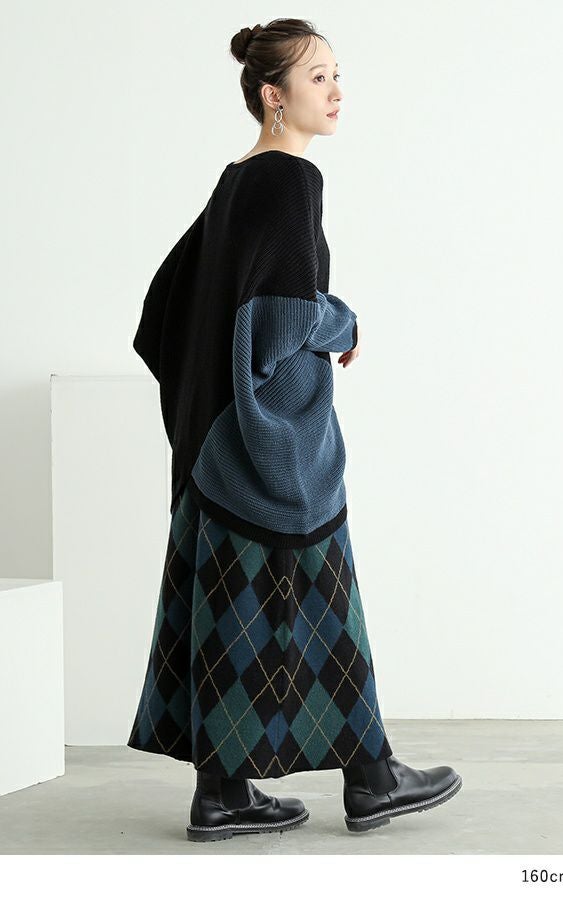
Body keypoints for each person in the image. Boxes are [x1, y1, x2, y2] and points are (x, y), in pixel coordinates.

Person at [127, 17, 462, 842]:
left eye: (337, 74)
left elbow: (163, 311)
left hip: (216, 451)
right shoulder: (289, 181)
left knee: (236, 609)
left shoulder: (235, 182)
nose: (337, 91)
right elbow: (281, 321)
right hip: (268, 454)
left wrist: (207, 405)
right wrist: (342, 323)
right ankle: (371, 780)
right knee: (323, 603)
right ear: (273, 95)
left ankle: (224, 793)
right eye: (319, 77)